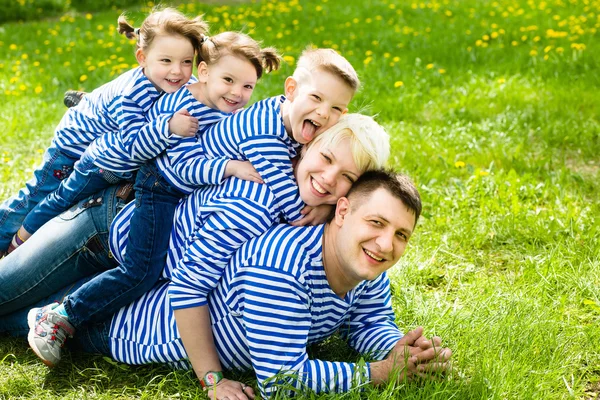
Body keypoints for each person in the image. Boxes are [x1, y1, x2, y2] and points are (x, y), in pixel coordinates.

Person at [1, 113, 390, 394]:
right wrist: (212, 379)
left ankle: (56, 312)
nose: (328, 178)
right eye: (325, 160)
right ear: (306, 147)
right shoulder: (253, 202)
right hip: (107, 232)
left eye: (347, 178)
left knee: (39, 314)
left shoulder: (318, 216)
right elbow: (188, 288)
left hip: (143, 276)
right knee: (6, 289)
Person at [0, 170, 452, 399]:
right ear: (343, 211)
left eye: (401, 235)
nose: (386, 243)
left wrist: (400, 350)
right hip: (118, 323)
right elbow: (282, 379)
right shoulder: (283, 268)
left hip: (128, 276)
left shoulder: (364, 265)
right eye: (377, 223)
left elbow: (369, 321)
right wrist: (376, 374)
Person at [4, 7, 208, 254]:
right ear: (142, 58)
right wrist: (168, 127)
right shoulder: (131, 95)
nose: (178, 71)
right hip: (74, 145)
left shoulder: (177, 81)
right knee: (38, 195)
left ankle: (91, 100)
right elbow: (133, 144)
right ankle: (7, 240)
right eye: (166, 60)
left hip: (102, 141)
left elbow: (203, 92)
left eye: (187, 62)